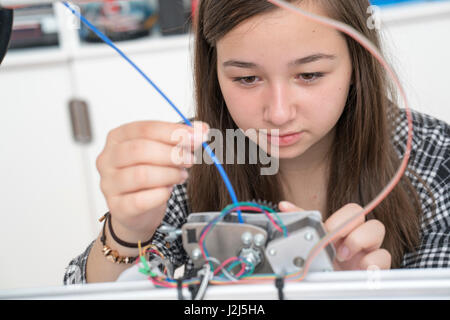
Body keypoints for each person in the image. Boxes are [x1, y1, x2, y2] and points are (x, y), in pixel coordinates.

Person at [64, 0, 450, 285]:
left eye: (310, 74)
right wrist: (126, 232)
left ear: (357, 62)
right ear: (213, 70)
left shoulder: (435, 159)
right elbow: (94, 288)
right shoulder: (188, 159)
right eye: (247, 79)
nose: (278, 113)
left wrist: (341, 291)